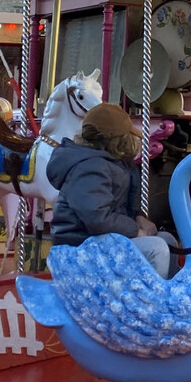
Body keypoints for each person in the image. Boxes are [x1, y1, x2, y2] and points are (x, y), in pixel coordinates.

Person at [46, 103, 173, 278]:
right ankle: (153, 295)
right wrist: (134, 230)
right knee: (156, 248)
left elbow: (119, 204)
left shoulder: (112, 163)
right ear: (118, 139)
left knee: (167, 240)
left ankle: (170, 289)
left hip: (99, 240)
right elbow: (96, 217)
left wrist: (138, 217)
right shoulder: (90, 168)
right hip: (79, 247)